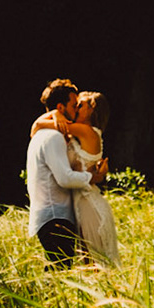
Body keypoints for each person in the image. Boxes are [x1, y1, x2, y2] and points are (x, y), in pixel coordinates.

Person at [32, 90, 120, 265]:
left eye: (81, 105)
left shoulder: (87, 131)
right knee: (88, 261)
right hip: (79, 203)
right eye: (76, 105)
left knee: (96, 261)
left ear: (92, 111)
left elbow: (36, 126)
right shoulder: (78, 135)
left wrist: (55, 114)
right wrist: (56, 113)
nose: (77, 108)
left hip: (88, 203)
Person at [27, 79, 93, 265]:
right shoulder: (53, 137)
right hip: (56, 217)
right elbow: (64, 178)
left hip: (51, 216)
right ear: (60, 107)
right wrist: (92, 177)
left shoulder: (43, 134)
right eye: (73, 105)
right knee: (61, 274)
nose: (76, 109)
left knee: (58, 274)